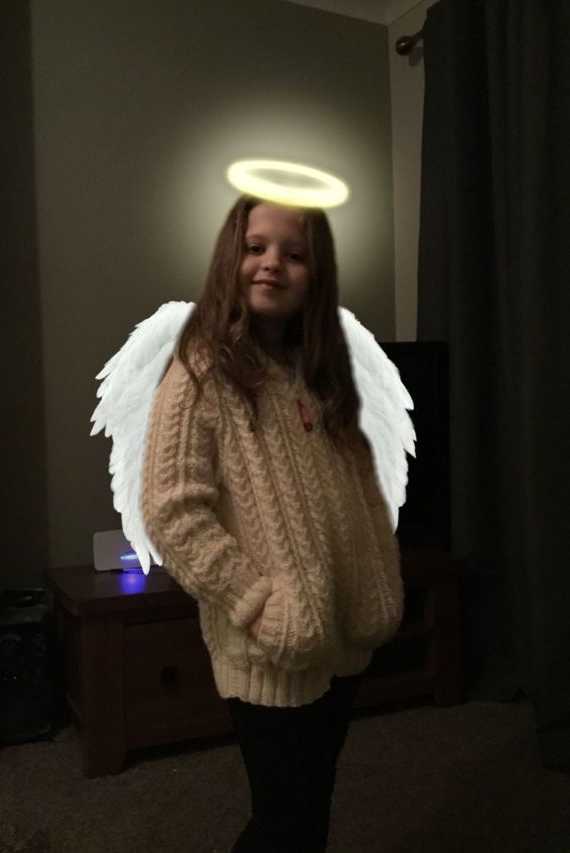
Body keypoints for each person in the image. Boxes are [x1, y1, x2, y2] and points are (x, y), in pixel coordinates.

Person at [141, 194, 404, 853]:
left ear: (317, 274)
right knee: (284, 819)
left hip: (339, 635)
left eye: (295, 254)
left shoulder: (320, 375)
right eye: (256, 248)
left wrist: (378, 582)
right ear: (230, 259)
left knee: (312, 806)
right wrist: (257, 603)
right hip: (271, 645)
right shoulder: (201, 372)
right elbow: (173, 511)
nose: (271, 265)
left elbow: (361, 495)